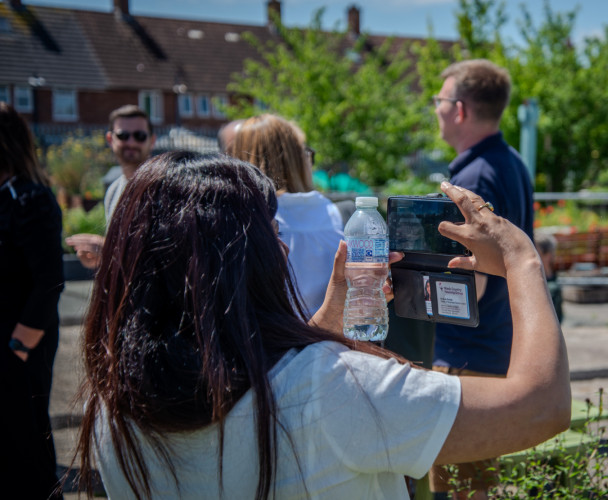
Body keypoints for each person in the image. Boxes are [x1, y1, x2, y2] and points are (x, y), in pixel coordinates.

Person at [71, 151, 570, 499]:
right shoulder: (335, 392)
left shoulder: (112, 404)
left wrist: (329, 318)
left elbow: (250, 374)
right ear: (240, 258)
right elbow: (538, 407)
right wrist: (522, 260)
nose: (283, 249)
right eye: (272, 234)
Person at [429, 59, 535, 499]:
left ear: (460, 109)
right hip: (492, 348)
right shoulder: (510, 163)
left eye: (439, 100)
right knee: (475, 487)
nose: (434, 109)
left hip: (465, 358)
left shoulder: (470, 179)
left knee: (461, 490)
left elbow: (473, 284)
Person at [0, 102, 66, 499]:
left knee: (25, 448)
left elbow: (48, 283)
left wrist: (16, 350)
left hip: (19, 348)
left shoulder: (31, 199)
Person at [227, 113, 344, 317]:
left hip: (273, 342)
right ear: (299, 159)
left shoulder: (243, 220)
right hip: (333, 338)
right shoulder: (332, 212)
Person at [65, 104, 156, 269]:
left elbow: (166, 251)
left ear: (152, 140)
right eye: (123, 135)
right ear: (109, 139)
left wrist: (108, 248)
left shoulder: (163, 185)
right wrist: (101, 259)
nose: (131, 142)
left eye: (140, 136)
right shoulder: (114, 189)